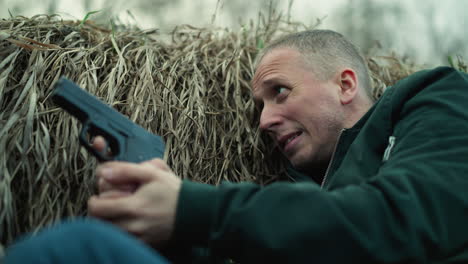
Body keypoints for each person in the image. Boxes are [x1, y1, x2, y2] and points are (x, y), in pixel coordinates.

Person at [5, 29, 468, 263]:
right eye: (259, 106)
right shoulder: (300, 186)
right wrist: (171, 220)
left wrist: (195, 208)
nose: (263, 120)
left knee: (83, 246)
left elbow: (404, 218)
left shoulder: (433, 96)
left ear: (345, 84)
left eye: (280, 92)